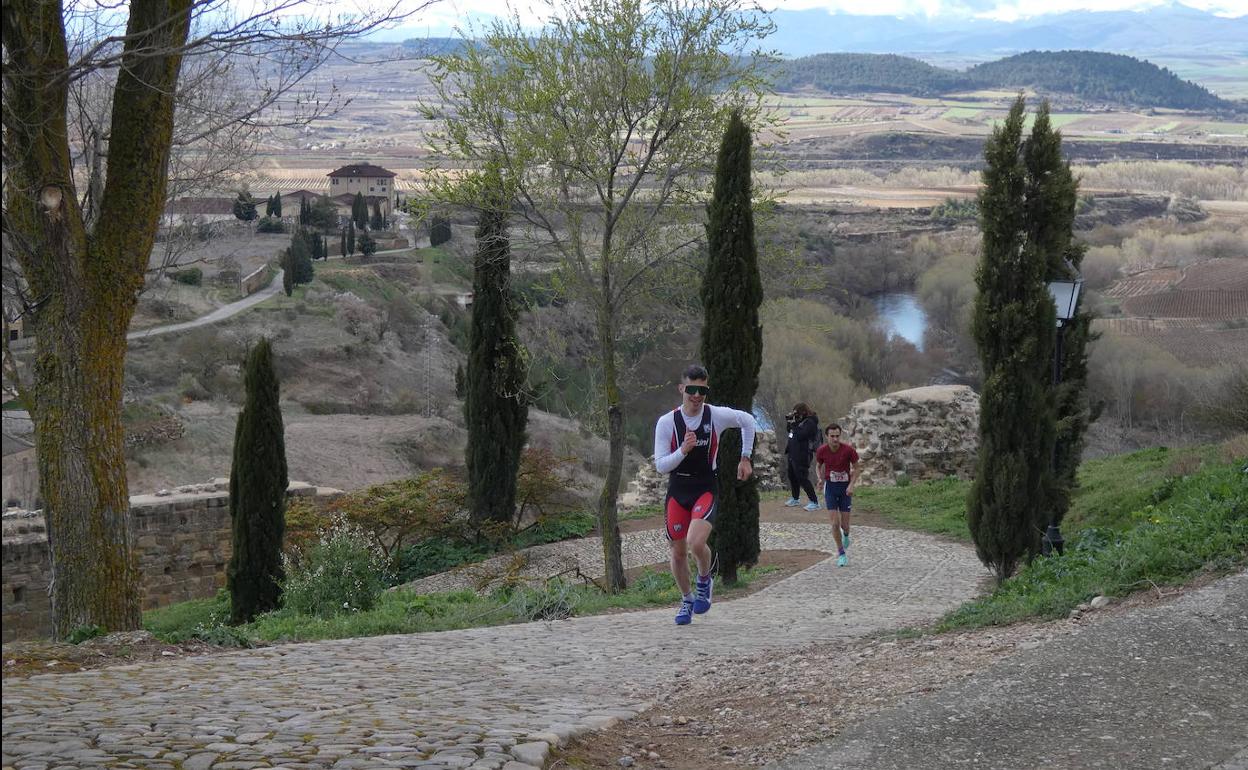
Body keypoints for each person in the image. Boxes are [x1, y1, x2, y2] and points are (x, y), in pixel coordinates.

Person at [653, 364, 757, 625]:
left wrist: (745, 457)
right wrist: (683, 451)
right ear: (682, 389)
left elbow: (747, 420)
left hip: (705, 487)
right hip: (678, 489)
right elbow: (661, 465)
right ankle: (687, 599)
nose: (697, 396)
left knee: (696, 543)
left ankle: (704, 580)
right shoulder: (667, 422)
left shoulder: (716, 416)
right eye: (692, 390)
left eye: (702, 390)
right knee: (677, 552)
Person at [815, 424, 859, 567]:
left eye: (837, 436)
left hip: (845, 489)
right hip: (831, 488)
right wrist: (820, 479)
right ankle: (841, 554)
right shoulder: (822, 450)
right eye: (832, 436)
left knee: (845, 526)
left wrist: (852, 484)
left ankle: (846, 535)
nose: (835, 439)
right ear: (827, 436)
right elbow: (818, 465)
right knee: (835, 524)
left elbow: (857, 468)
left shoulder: (848, 450)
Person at [783, 403, 820, 511]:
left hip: (803, 454)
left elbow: (801, 435)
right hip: (792, 452)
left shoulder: (810, 422)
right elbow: (790, 431)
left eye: (797, 413)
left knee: (802, 478)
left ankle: (814, 501)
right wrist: (790, 422)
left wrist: (794, 425)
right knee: (792, 476)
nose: (796, 415)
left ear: (803, 412)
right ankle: (795, 498)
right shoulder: (799, 422)